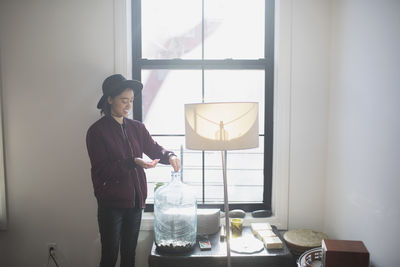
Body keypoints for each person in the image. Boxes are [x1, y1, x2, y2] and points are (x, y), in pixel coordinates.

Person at [86, 74, 180, 267]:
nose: (128, 106)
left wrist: (169, 155)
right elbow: (102, 170)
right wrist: (133, 162)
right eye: (123, 101)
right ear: (110, 100)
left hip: (136, 203)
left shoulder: (137, 127)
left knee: (129, 255)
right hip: (111, 205)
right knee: (110, 256)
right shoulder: (96, 131)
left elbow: (155, 149)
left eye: (131, 101)